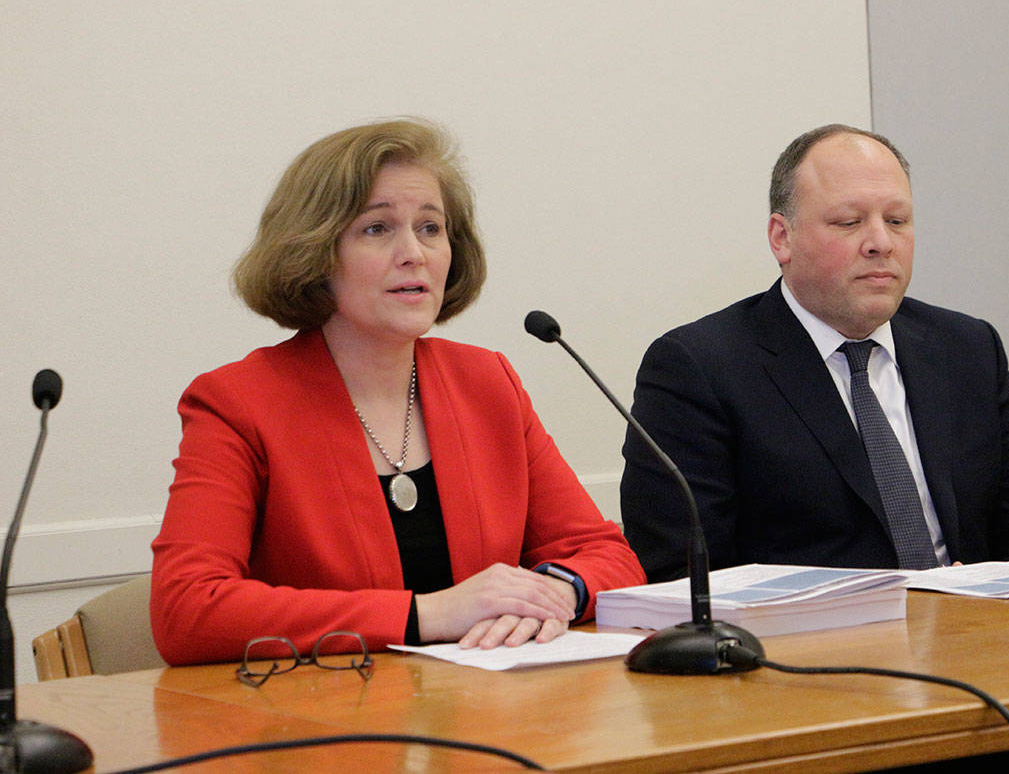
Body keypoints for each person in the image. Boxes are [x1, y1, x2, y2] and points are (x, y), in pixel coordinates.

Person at [151, 118, 645, 666]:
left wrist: (552, 592)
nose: (414, 253)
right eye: (377, 229)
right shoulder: (238, 402)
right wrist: (428, 615)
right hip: (323, 728)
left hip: (493, 718)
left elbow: (604, 554)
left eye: (431, 228)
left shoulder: (486, 383)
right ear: (315, 252)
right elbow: (187, 611)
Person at [620, 124, 1009, 582]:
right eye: (849, 222)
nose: (881, 243)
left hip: (976, 636)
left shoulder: (966, 348)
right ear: (782, 238)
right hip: (810, 646)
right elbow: (684, 577)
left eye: (897, 220)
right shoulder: (697, 368)